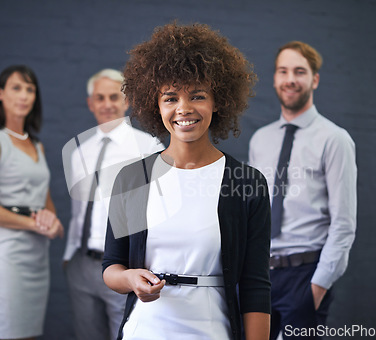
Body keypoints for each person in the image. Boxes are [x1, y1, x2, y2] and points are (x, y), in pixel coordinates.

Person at [102, 23, 271, 340]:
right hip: (144, 330)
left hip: (211, 330)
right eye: (170, 97)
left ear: (217, 100)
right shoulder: (132, 178)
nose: (184, 108)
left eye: (197, 95)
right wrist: (130, 280)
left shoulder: (246, 183)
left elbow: (256, 285)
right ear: (156, 104)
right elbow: (111, 266)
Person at [248, 41, 357, 339]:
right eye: (283, 71)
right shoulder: (260, 140)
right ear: (275, 79)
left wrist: (317, 287)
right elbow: (255, 210)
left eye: (299, 71)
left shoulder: (335, 139)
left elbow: (344, 224)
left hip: (305, 273)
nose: (290, 79)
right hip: (261, 275)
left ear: (314, 79)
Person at [62, 68, 164, 340]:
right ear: (91, 103)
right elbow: (79, 209)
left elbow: (156, 209)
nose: (107, 104)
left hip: (122, 265)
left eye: (113, 97)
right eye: (100, 98)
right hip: (81, 262)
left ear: (126, 100)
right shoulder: (80, 151)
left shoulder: (147, 147)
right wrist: (69, 254)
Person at [0, 65, 64, 340]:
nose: (24, 95)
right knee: (9, 333)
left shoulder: (38, 146)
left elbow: (46, 205)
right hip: (6, 254)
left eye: (30, 89)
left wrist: (52, 222)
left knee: (30, 334)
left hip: (37, 254)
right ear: (0, 94)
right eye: (16, 88)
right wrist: (33, 225)